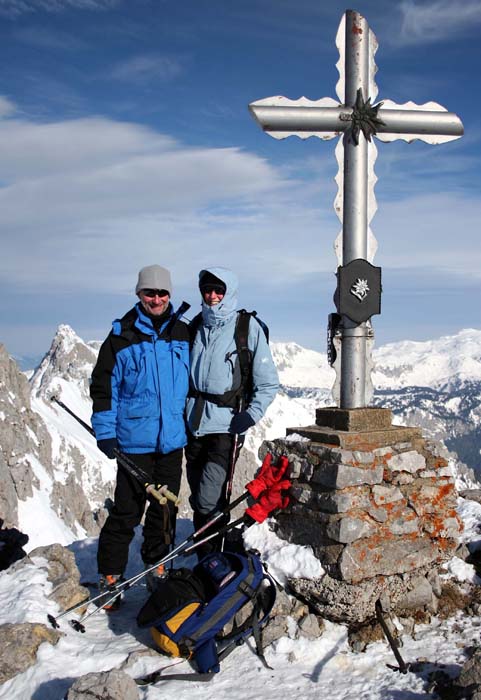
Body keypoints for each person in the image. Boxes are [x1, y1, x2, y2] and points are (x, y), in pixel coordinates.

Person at [90, 264, 190, 604]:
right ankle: (110, 575)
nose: (157, 298)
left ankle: (157, 566)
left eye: (162, 293)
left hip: (172, 442)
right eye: (150, 293)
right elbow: (104, 389)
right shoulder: (121, 337)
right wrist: (105, 432)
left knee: (165, 511)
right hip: (135, 444)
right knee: (126, 512)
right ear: (139, 294)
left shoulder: (182, 333)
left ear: (169, 295)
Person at [185, 267, 279, 556]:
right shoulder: (196, 326)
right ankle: (210, 552)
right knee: (198, 494)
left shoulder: (245, 327)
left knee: (208, 496)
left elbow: (268, 382)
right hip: (192, 424)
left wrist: (250, 415)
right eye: (207, 290)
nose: (212, 296)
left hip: (225, 427)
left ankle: (212, 555)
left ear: (229, 293)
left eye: (219, 290)